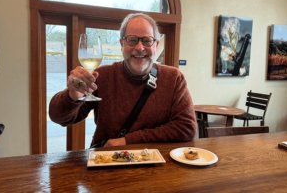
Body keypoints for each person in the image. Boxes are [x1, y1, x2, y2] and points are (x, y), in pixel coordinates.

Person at [49, 13, 197, 147]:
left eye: (147, 41)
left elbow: (187, 128)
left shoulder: (174, 78)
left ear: (156, 45)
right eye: (132, 40)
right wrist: (72, 97)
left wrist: (128, 140)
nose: (140, 47)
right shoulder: (102, 76)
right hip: (107, 164)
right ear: (121, 44)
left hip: (155, 167)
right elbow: (58, 118)